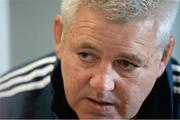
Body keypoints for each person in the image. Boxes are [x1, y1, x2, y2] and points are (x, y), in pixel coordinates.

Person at [0, 0, 180, 119]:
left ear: (163, 56)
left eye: (126, 63)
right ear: (60, 35)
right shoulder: (8, 105)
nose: (102, 84)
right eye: (86, 55)